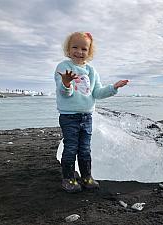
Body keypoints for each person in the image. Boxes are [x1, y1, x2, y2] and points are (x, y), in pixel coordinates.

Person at [54, 31, 128, 193]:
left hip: (87, 116)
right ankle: (68, 179)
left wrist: (113, 88)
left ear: (89, 52)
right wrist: (66, 83)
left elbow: (97, 93)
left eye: (84, 49)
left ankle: (86, 176)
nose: (79, 52)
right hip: (69, 116)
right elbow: (65, 93)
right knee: (71, 147)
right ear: (68, 49)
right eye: (75, 47)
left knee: (85, 148)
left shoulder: (92, 71)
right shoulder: (64, 67)